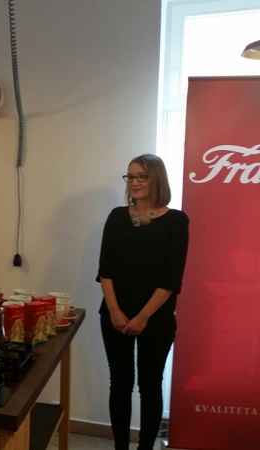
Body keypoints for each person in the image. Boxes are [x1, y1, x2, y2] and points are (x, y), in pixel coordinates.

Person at [97, 154, 189, 450]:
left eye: (142, 177)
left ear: (156, 179)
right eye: (130, 176)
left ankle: (145, 448)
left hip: (156, 319)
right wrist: (114, 311)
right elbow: (105, 271)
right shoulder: (117, 217)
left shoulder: (176, 221)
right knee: (120, 384)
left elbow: (171, 280)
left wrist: (143, 317)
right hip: (115, 316)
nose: (134, 182)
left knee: (150, 386)